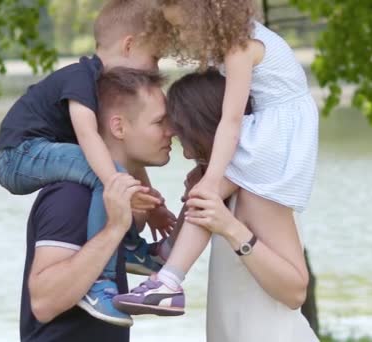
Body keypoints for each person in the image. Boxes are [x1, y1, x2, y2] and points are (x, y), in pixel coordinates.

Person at [114, 0, 319, 317]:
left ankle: (168, 275)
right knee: (206, 196)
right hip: (270, 129)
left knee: (208, 191)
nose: (180, 34)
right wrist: (207, 174)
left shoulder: (242, 47)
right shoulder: (234, 43)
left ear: (201, 16)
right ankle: (168, 274)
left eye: (181, 26)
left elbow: (231, 121)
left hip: (274, 134)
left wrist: (211, 177)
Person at [0, 0, 174, 325]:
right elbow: (89, 136)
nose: (155, 69)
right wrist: (117, 184)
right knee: (109, 177)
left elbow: (119, 153)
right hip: (18, 155)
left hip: (34, 151)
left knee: (113, 175)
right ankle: (99, 283)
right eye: (155, 58)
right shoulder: (81, 77)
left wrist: (151, 201)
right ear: (129, 45)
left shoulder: (98, 84)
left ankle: (128, 246)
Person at [20, 67, 174, 340]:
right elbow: (44, 302)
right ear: (118, 127)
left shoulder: (114, 196)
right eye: (160, 122)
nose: (171, 131)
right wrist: (114, 229)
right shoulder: (72, 195)